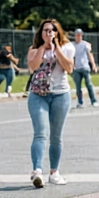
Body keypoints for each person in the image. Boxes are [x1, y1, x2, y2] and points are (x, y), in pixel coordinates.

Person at [27, 19, 76, 188]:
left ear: (57, 32)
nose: (49, 32)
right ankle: (37, 171)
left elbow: (69, 68)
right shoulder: (34, 49)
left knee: (56, 136)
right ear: (41, 33)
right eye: (45, 30)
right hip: (38, 95)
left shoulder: (67, 48)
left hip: (60, 95)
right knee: (40, 133)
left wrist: (56, 49)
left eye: (52, 30)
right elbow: (33, 66)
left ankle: (54, 172)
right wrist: (44, 47)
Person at [71, 29, 98, 107]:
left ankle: (93, 100)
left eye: (80, 35)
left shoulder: (85, 44)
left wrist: (93, 65)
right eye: (77, 35)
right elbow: (71, 56)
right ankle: (80, 102)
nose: (79, 36)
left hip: (85, 67)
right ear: (75, 36)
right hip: (76, 68)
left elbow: (90, 55)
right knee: (78, 86)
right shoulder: (72, 45)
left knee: (89, 84)